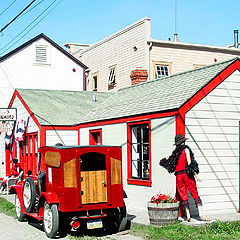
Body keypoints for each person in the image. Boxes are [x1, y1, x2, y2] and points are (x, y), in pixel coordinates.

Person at [160, 134, 205, 222]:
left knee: (183, 194)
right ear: (183, 142)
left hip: (178, 176)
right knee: (194, 192)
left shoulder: (174, 152)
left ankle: (188, 215)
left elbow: (167, 162)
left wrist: (165, 159)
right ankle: (200, 214)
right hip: (186, 174)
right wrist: (196, 175)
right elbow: (189, 163)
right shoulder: (186, 149)